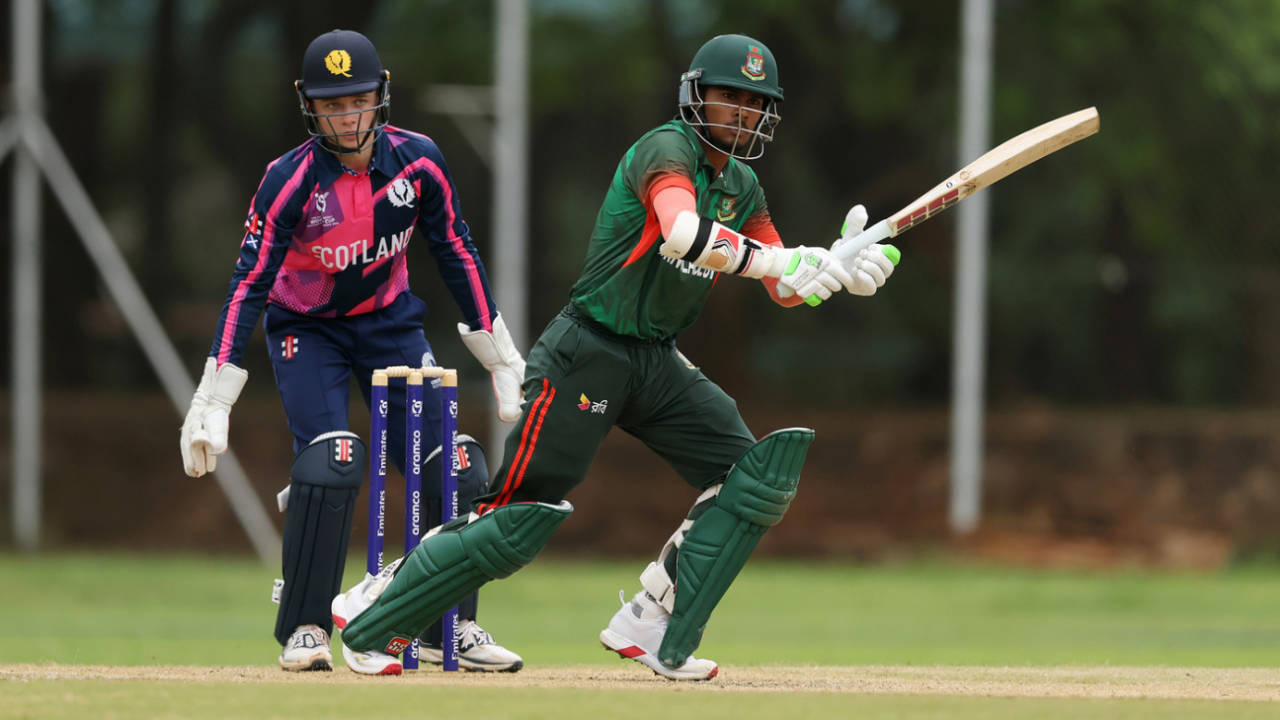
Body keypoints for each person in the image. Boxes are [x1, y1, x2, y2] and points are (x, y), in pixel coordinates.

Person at [328, 33, 900, 679]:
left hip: (655, 362)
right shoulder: (667, 148)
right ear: (696, 95)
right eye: (729, 96)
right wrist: (783, 260)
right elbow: (684, 234)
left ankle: (653, 621)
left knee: (753, 477)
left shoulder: (742, 184)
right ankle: (375, 607)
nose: (742, 111)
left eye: (755, 102)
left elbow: (781, 285)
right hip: (587, 350)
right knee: (516, 521)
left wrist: (836, 268)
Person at [178, 29, 527, 673]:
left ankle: (443, 624)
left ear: (381, 96)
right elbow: (250, 280)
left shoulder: (418, 162)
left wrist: (500, 354)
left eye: (358, 100)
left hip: (391, 324)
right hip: (306, 331)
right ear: (310, 107)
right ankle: (307, 626)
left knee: (457, 464)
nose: (347, 116)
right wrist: (213, 394)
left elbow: (455, 248)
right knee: (332, 461)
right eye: (332, 104)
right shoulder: (288, 181)